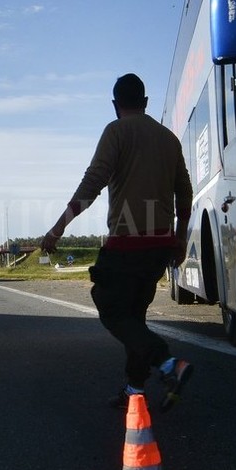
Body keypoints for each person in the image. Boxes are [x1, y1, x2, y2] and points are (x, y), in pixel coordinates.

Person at [41, 73, 193, 411]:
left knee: (110, 307)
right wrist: (180, 239)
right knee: (134, 318)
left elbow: (93, 182)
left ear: (115, 105)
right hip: (160, 246)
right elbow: (185, 194)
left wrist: (57, 229)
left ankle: (169, 364)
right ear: (146, 102)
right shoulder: (169, 139)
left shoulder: (116, 131)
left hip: (128, 244)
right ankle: (134, 390)